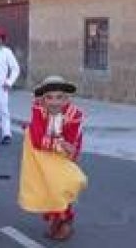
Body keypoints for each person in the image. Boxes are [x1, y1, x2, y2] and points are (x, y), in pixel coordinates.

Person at [18, 75, 87, 241]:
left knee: (62, 185)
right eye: (49, 97)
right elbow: (36, 139)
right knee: (45, 185)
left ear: (66, 98)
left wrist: (63, 147)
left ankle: (65, 221)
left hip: (63, 156)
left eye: (59, 97)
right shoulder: (38, 109)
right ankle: (55, 219)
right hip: (39, 153)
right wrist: (58, 144)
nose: (54, 102)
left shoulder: (74, 114)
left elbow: (71, 143)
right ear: (42, 99)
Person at [0, 27, 20, 145]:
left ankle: (6, 134)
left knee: (4, 110)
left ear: (2, 40)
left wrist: (9, 82)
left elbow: (15, 69)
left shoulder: (7, 52)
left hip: (2, 86)